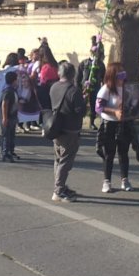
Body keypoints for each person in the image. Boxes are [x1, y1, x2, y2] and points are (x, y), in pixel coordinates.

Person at [95, 63, 139, 193]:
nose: (122, 78)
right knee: (109, 154)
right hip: (109, 124)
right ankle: (107, 181)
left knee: (123, 152)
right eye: (120, 75)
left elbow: (133, 102)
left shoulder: (126, 88)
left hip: (124, 124)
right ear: (112, 76)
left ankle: (124, 179)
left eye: (124, 75)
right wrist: (114, 112)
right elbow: (98, 108)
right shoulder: (106, 89)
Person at [50, 61, 85, 202]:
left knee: (58, 159)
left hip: (56, 127)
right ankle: (58, 190)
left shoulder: (54, 87)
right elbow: (80, 111)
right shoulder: (73, 90)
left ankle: (60, 186)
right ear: (73, 75)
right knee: (65, 161)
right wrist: (85, 102)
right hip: (70, 129)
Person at [76, 42, 105, 130]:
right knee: (81, 105)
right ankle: (78, 122)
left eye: (97, 52)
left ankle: (92, 122)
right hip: (84, 88)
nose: (96, 53)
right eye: (94, 51)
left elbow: (103, 77)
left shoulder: (100, 64)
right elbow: (78, 76)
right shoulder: (84, 63)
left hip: (95, 87)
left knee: (93, 105)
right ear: (91, 52)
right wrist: (78, 88)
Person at [0, 71, 19, 162]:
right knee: (6, 135)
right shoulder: (8, 91)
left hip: (12, 115)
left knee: (11, 135)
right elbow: (5, 104)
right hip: (7, 116)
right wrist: (5, 117)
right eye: (16, 79)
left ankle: (11, 151)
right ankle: (5, 153)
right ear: (13, 80)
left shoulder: (13, 90)